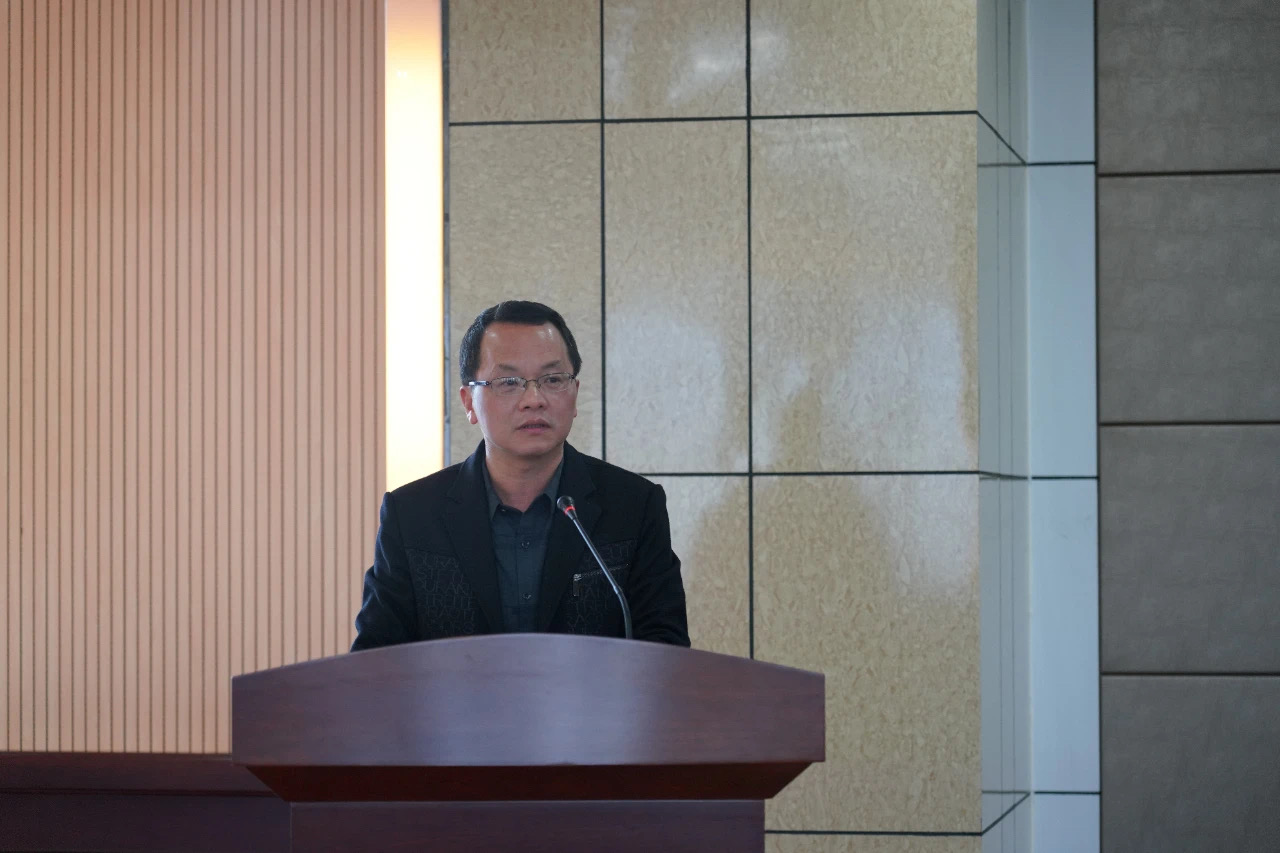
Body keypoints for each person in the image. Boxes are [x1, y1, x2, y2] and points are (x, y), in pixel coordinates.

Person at [351, 300, 690, 650]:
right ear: (468, 403)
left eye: (553, 379)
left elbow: (666, 650)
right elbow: (376, 656)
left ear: (575, 394)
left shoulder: (633, 506)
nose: (534, 399)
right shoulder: (412, 515)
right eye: (509, 382)